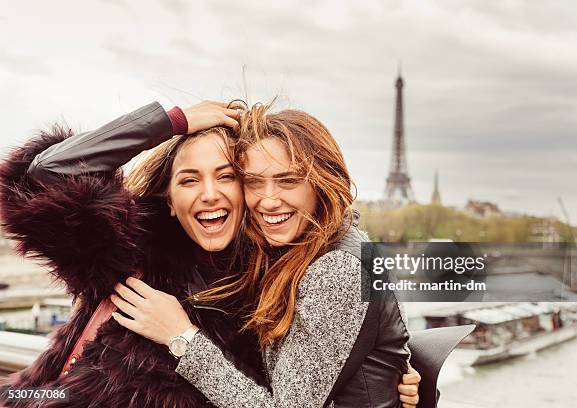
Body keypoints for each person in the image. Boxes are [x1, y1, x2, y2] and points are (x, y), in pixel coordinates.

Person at [111, 103, 423, 407]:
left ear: (322, 183)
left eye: (288, 180)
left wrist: (182, 337)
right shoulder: (305, 252)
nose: (269, 201)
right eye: (254, 182)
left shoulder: (336, 268)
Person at [0, 101, 269, 407]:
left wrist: (183, 338)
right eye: (189, 180)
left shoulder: (271, 289)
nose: (209, 195)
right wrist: (168, 123)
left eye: (225, 177)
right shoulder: (132, 251)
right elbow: (47, 173)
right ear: (169, 199)